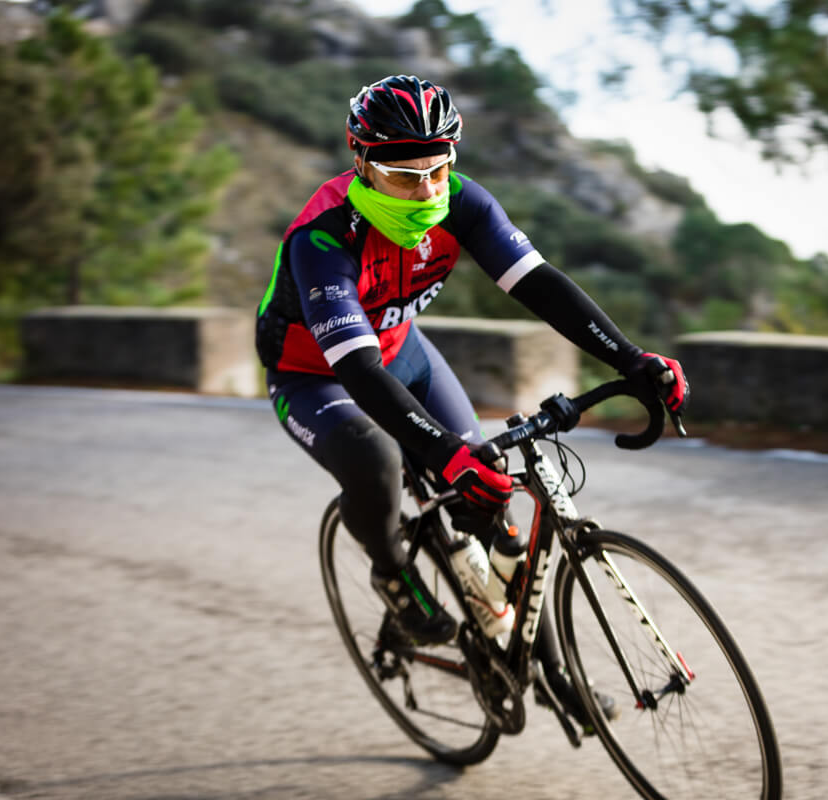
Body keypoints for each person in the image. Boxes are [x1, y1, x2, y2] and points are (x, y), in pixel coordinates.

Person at [255, 74, 688, 724]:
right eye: (405, 175)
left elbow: (540, 285)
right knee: (376, 458)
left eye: (438, 170)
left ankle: (550, 675)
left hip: (404, 353)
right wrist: (445, 453)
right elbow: (360, 370)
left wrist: (633, 359)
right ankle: (392, 573)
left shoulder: (462, 202)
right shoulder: (322, 239)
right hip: (316, 376)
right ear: (360, 161)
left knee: (500, 519)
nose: (427, 191)